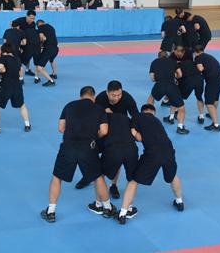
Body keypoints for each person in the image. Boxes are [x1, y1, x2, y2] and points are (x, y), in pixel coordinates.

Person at [40, 86, 114, 223]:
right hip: (88, 148)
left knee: (57, 177)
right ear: (93, 96)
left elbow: (60, 128)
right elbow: (104, 131)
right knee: (98, 178)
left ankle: (51, 211)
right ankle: (107, 208)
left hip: (68, 146)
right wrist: (93, 135)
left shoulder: (69, 106)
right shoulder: (99, 109)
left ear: (80, 96)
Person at [115, 104, 184, 225]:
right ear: (154, 112)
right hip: (169, 150)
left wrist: (137, 135)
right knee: (172, 176)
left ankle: (123, 213)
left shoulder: (137, 117)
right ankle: (179, 202)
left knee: (133, 181)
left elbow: (137, 136)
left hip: (153, 153)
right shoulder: (157, 121)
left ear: (143, 112)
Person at [76, 81, 139, 195]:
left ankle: (113, 185)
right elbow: (92, 117)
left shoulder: (127, 98)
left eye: (119, 94)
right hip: (103, 128)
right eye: (114, 95)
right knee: (92, 153)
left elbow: (136, 116)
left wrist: (134, 130)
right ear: (107, 93)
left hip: (120, 130)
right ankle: (88, 176)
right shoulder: (100, 99)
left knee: (117, 156)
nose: (117, 98)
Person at [147, 51, 188, 134]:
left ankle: (149, 119)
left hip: (159, 85)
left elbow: (152, 78)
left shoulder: (154, 62)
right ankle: (180, 127)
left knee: (151, 98)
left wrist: (160, 78)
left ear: (158, 57)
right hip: (171, 85)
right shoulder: (173, 61)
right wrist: (173, 77)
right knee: (181, 107)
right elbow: (180, 74)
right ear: (167, 56)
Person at [0, 43, 31, 132]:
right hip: (17, 85)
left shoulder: (3, 58)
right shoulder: (17, 59)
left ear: (4, 51)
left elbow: (0, 68)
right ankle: (27, 124)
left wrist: (2, 70)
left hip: (5, 85)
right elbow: (21, 70)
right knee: (22, 105)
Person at [193, 46, 220, 131]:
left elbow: (200, 68)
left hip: (213, 80)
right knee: (216, 97)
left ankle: (216, 125)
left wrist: (198, 70)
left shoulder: (198, 58)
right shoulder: (208, 56)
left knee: (209, 103)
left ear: (195, 52)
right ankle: (212, 114)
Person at [173, 45, 206, 123]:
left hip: (189, 80)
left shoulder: (178, 64)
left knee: (179, 97)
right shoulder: (194, 62)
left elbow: (179, 75)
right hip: (199, 80)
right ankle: (201, 116)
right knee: (199, 97)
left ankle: (175, 113)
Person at [15, 10, 40, 83]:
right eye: (31, 18)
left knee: (29, 54)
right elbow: (12, 24)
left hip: (28, 42)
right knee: (20, 58)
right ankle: (19, 74)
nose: (32, 20)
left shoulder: (33, 24)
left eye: (33, 18)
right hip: (20, 41)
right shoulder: (20, 20)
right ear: (27, 16)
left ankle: (27, 70)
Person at [36, 19, 58, 87]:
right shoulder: (51, 27)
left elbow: (42, 37)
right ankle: (54, 74)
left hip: (48, 49)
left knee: (40, 67)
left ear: (38, 25)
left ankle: (50, 81)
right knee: (51, 60)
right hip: (56, 48)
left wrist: (41, 43)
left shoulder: (41, 28)